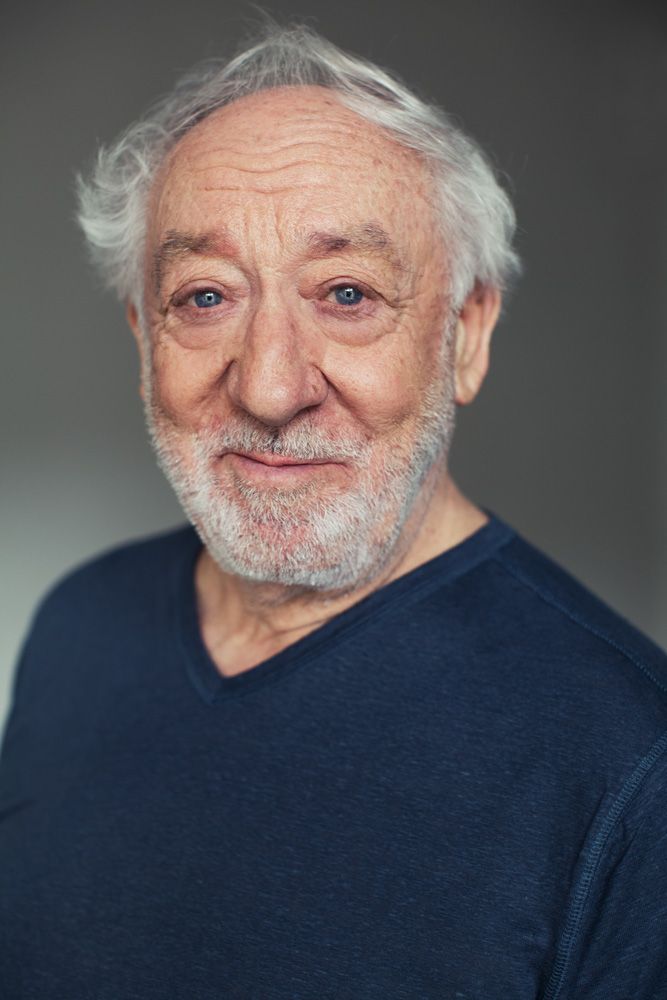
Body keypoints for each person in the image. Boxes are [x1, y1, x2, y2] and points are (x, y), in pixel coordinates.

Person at [1, 24, 666, 1000]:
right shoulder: (77, 626)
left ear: (464, 336)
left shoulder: (631, 762)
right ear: (144, 341)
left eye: (346, 293)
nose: (269, 388)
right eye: (205, 296)